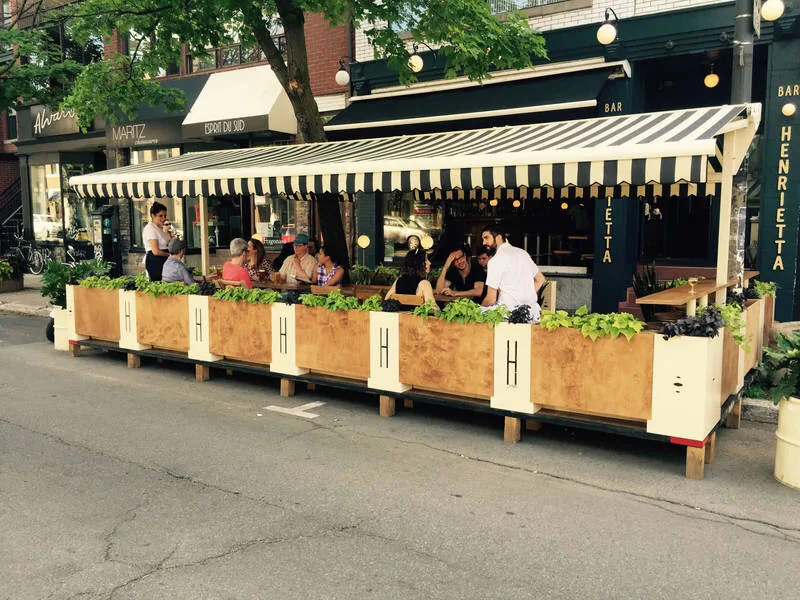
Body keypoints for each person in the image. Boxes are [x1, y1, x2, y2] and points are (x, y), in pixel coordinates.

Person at [481, 227, 545, 319]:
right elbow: (540, 279)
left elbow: (491, 299)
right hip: (532, 313)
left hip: (508, 316)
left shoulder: (495, 260)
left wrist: (478, 310)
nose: (483, 242)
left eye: (486, 238)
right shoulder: (523, 253)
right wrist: (523, 297)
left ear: (498, 237)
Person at [143, 201, 172, 281]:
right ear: (153, 215)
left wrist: (168, 231)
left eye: (165, 216)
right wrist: (170, 255)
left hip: (165, 259)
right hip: (155, 260)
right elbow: (155, 251)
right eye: (160, 216)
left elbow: (170, 243)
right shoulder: (150, 229)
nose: (163, 218)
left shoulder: (161, 228)